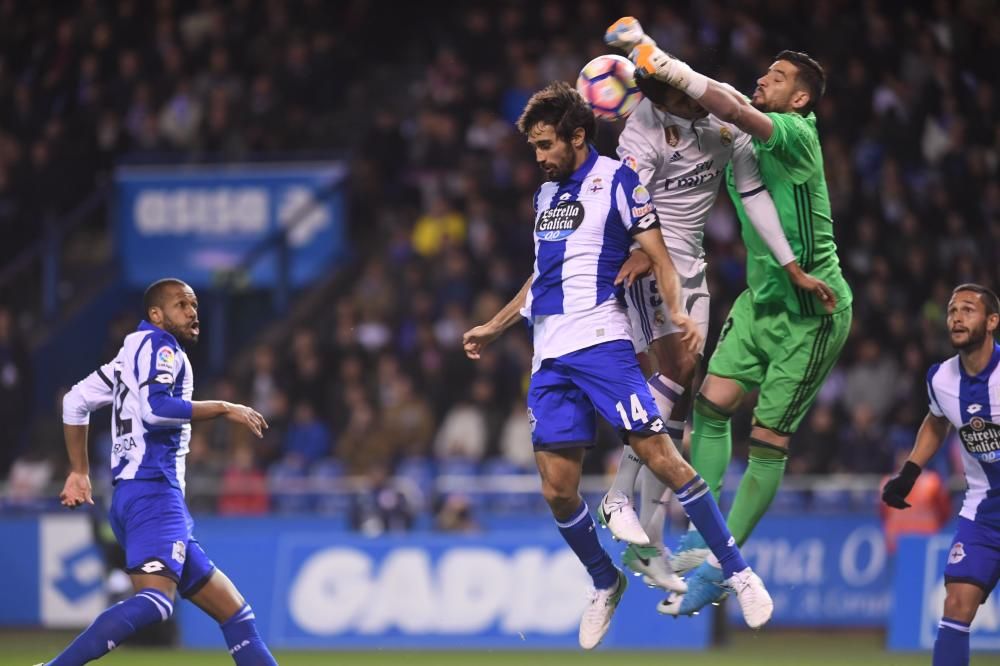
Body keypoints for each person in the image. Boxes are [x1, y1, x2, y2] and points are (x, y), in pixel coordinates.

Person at [461, 81, 772, 650]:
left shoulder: (618, 180)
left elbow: (656, 254)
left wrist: (677, 311)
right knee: (557, 490)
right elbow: (541, 277)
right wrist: (496, 323)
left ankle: (738, 571)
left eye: (546, 144)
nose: (539, 157)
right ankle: (605, 582)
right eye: (533, 146)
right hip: (549, 356)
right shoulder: (544, 198)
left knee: (662, 455)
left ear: (578, 136)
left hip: (603, 340)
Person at [605, 17, 853, 615]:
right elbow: (749, 186)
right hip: (761, 297)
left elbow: (730, 114)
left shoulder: (794, 132)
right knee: (708, 407)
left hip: (812, 313)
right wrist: (786, 264)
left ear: (801, 98)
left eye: (781, 75)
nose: (764, 76)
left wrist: (652, 55)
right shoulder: (734, 128)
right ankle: (697, 531)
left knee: (767, 438)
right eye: (765, 69)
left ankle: (718, 564)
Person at [39, 278, 277, 666]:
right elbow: (157, 409)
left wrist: (80, 471)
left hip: (139, 496)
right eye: (182, 305)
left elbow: (75, 401)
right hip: (154, 494)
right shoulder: (161, 349)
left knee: (235, 613)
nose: (192, 312)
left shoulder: (127, 356)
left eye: (194, 305)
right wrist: (224, 407)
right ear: (156, 314)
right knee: (155, 603)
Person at [882, 284, 1000, 666]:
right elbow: (935, 424)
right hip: (983, 515)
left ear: (992, 321)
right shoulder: (941, 379)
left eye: (968, 309)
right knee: (956, 604)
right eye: (952, 310)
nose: (957, 317)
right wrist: (910, 473)